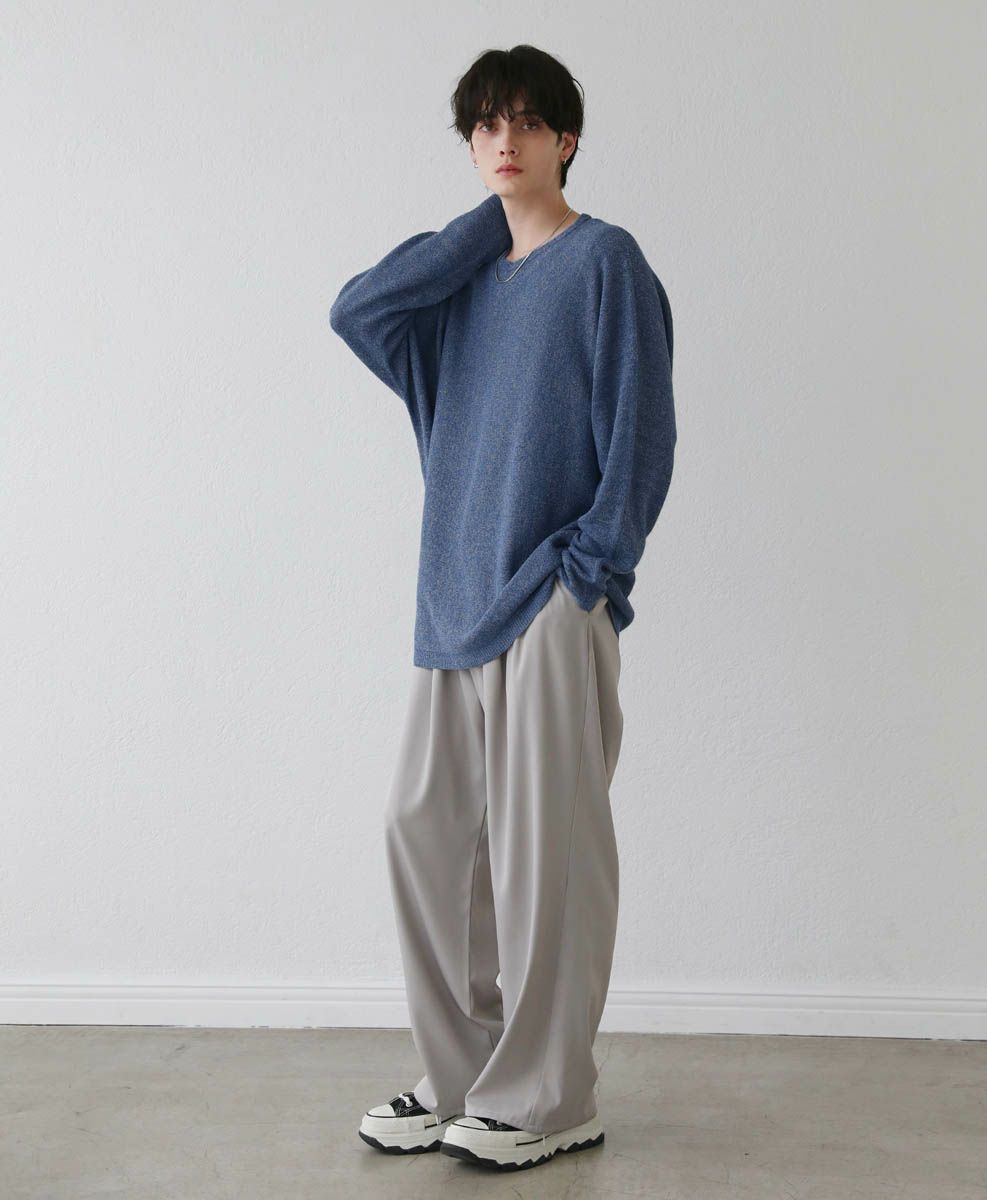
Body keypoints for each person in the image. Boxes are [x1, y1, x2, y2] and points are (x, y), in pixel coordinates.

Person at [329, 44, 677, 1173]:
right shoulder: (458, 289)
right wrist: (489, 226)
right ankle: (462, 1075)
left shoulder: (606, 263)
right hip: (451, 603)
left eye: (528, 123)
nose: (506, 142)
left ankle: (547, 1093)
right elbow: (356, 309)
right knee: (424, 838)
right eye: (486, 125)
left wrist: (590, 578)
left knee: (544, 859)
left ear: (568, 139)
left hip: (548, 602)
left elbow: (641, 437)